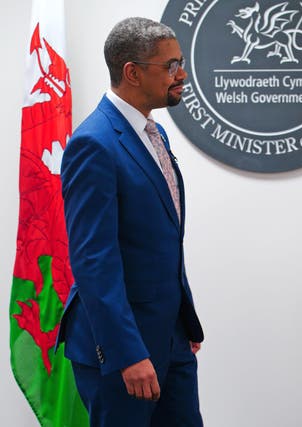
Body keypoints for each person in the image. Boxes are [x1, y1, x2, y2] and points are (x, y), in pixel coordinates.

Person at [57, 17, 204, 427]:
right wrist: (127, 353)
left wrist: (182, 321)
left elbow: (160, 241)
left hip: (170, 339)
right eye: (171, 65)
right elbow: (93, 260)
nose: (182, 74)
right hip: (123, 352)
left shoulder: (153, 134)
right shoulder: (94, 143)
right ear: (133, 72)